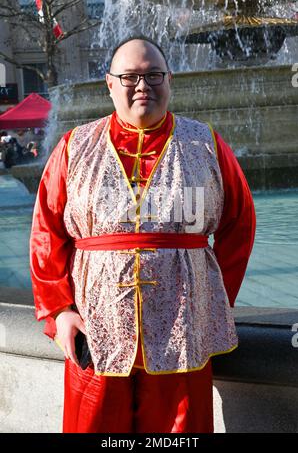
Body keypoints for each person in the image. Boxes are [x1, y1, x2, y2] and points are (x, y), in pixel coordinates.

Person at [29, 36, 256, 433]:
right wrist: (60, 311)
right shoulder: (73, 147)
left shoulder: (206, 144)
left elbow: (240, 224)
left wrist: (210, 297)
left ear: (169, 79)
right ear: (110, 83)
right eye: (131, 76)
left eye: (153, 75)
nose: (142, 86)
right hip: (96, 329)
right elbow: (47, 234)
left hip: (183, 328)